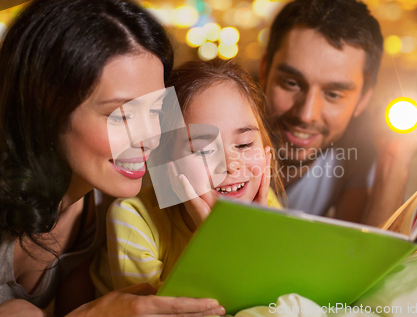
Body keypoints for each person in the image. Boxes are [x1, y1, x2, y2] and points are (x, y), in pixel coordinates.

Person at [0, 0, 224, 316]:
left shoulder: (101, 197)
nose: (149, 138)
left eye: (155, 111)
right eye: (121, 114)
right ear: (46, 107)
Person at [105, 59, 284, 291]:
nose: (231, 165)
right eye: (204, 150)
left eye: (244, 144)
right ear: (167, 162)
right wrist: (212, 243)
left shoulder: (264, 204)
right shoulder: (134, 217)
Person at [260, 0, 414, 226]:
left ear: (363, 99)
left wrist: (395, 156)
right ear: (264, 72)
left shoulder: (353, 157)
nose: (306, 114)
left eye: (333, 94)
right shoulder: (212, 134)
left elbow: (366, 258)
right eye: (291, 83)